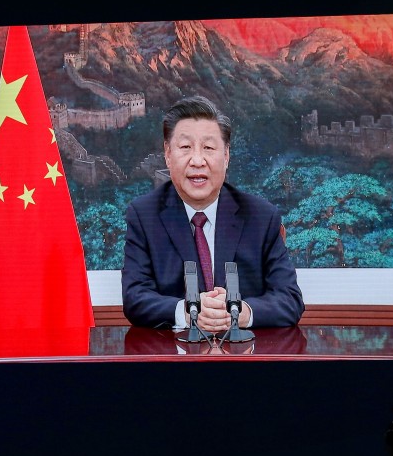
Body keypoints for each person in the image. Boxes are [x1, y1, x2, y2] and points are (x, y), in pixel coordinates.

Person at [121, 95, 304, 331]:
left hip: (244, 360)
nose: (197, 160)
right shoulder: (144, 216)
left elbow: (289, 299)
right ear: (167, 154)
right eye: (185, 147)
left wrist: (241, 312)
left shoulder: (261, 217)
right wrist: (188, 312)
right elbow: (135, 298)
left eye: (208, 148)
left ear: (226, 156)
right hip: (174, 360)